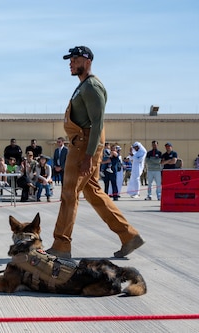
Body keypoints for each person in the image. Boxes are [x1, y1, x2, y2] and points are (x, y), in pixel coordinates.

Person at [47, 46, 144, 259]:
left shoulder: (91, 86)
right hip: (81, 146)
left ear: (87, 61)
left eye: (74, 59)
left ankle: (61, 245)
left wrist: (89, 156)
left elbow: (97, 124)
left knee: (69, 194)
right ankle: (129, 236)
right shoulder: (83, 86)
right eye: (70, 60)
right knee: (94, 193)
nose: (70, 63)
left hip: (84, 147)